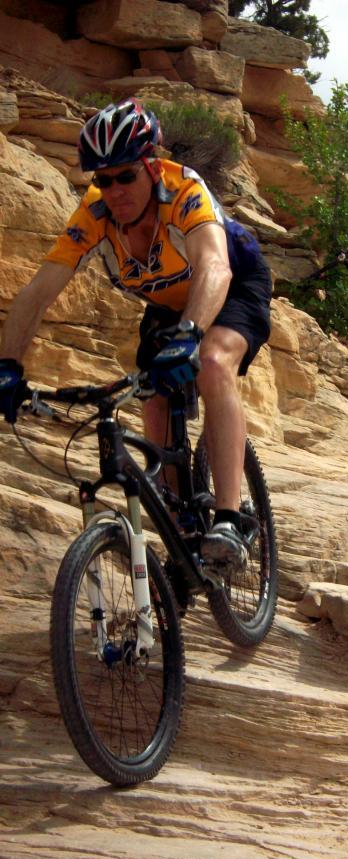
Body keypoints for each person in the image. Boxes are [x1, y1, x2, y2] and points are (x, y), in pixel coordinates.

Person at [0, 98, 272, 564]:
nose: (115, 189)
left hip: (233, 284)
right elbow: (39, 291)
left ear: (152, 166)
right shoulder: (95, 214)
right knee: (151, 392)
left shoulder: (185, 190)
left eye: (126, 175)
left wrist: (190, 334)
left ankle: (228, 517)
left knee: (210, 360)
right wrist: (7, 366)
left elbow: (214, 266)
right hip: (169, 305)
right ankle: (181, 515)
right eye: (102, 179)